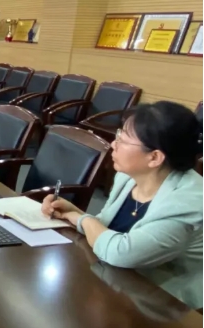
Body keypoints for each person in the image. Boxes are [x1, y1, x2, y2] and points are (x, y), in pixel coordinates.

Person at [41, 101, 202, 309]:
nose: (113, 144)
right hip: (120, 281)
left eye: (122, 140)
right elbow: (106, 228)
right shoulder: (128, 177)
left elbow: (121, 252)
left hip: (166, 304)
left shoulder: (189, 202)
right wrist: (71, 212)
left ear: (154, 157)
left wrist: (80, 218)